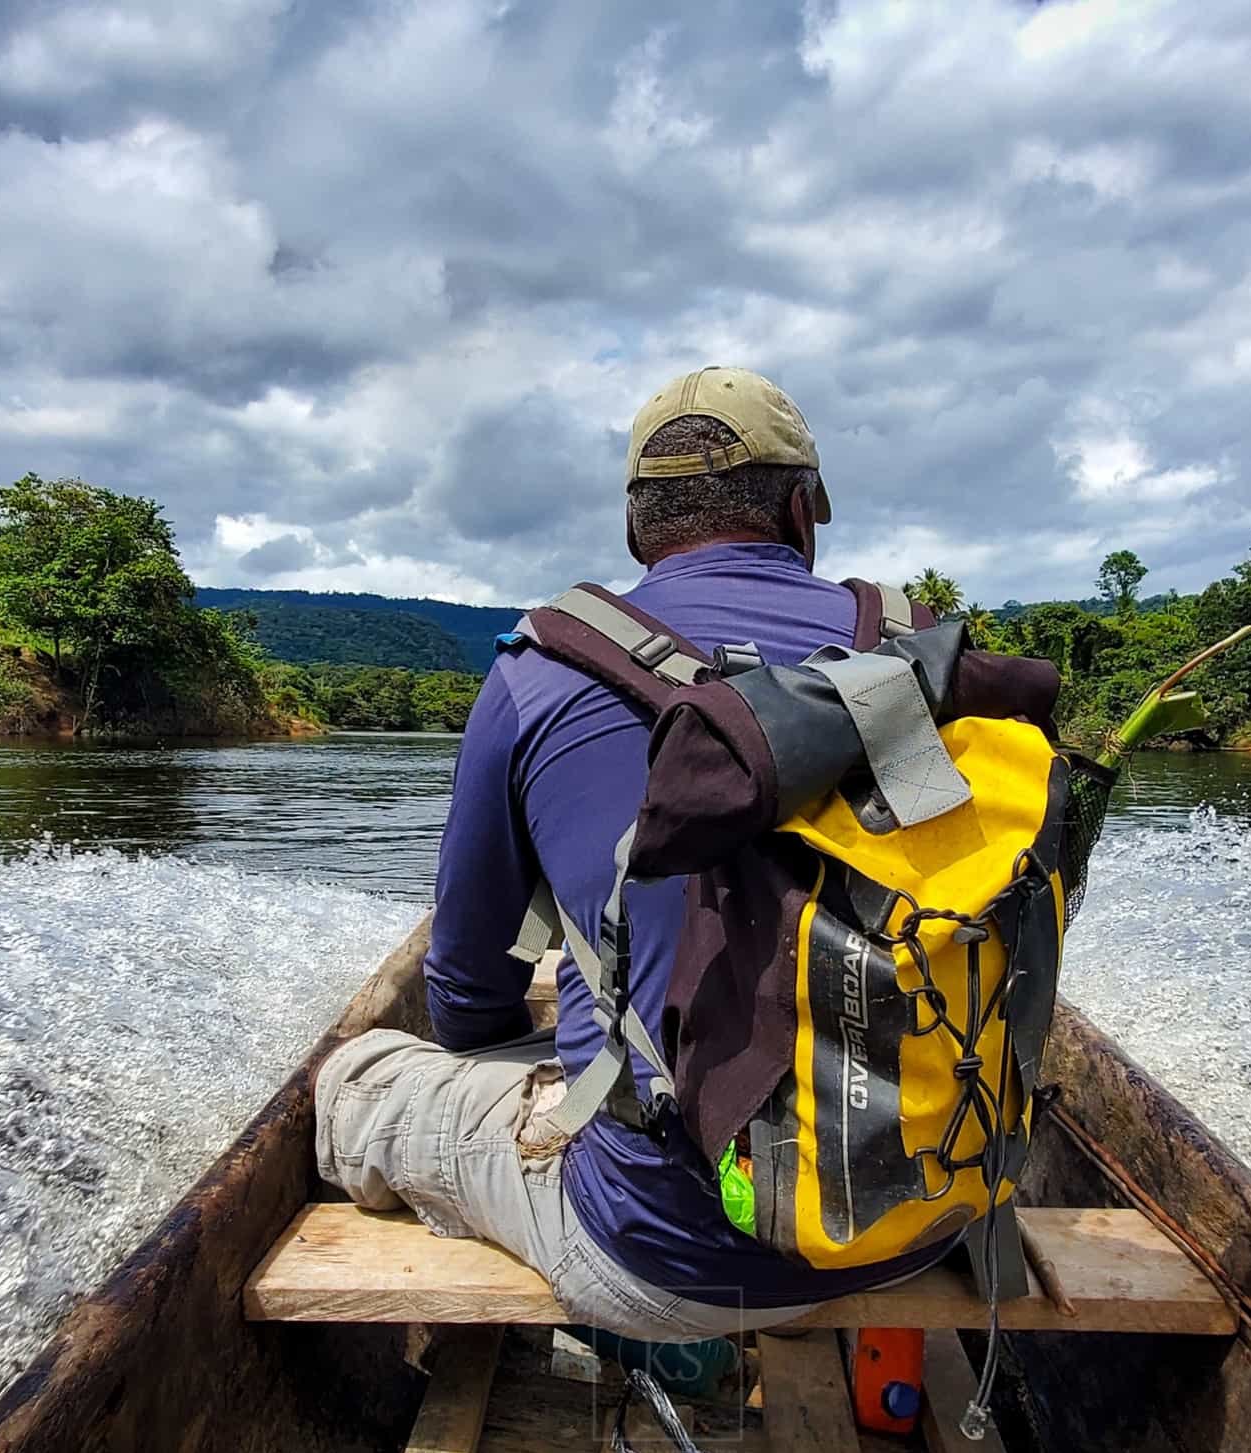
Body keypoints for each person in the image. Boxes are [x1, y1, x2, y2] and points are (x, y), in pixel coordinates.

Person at [313, 367, 950, 1340]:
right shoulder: (925, 653)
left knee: (355, 1076)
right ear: (800, 508)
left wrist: (537, 1053)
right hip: (924, 1225)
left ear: (633, 529)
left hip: (666, 1260)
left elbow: (471, 989)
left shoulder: (539, 668)